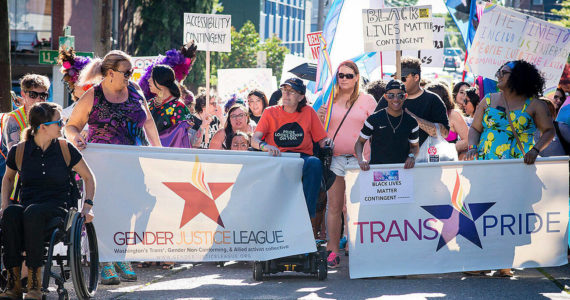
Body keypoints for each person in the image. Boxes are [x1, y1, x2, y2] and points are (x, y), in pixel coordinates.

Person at [65, 50, 161, 285]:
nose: (131, 75)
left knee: (128, 210)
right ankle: (105, 260)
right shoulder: (93, 96)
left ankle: (122, 255)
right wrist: (76, 138)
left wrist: (160, 150)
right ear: (110, 73)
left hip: (132, 164)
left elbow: (148, 121)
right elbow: (71, 127)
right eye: (127, 72)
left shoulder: (136, 90)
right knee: (105, 211)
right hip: (102, 166)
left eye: (132, 71)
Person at [466, 60, 555, 277]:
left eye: (503, 73)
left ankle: (505, 261)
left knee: (510, 213)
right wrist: (472, 147)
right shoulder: (488, 100)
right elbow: (475, 129)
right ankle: (482, 261)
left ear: (517, 77)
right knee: (483, 212)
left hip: (516, 168)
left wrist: (535, 150)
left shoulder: (534, 105)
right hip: (486, 168)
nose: (498, 76)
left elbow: (548, 131)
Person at [0, 102, 95, 300]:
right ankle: (14, 283)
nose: (62, 125)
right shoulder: (19, 150)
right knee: (11, 214)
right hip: (29, 207)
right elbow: (8, 178)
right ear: (43, 127)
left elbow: (88, 177)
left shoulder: (64, 148)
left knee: (32, 212)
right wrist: (4, 205)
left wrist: (88, 206)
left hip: (58, 209)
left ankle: (35, 284)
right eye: (59, 122)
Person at [315, 60, 377, 268]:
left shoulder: (367, 100)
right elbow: (319, 130)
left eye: (349, 76)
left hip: (360, 161)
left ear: (357, 77)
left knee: (355, 206)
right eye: (340, 75)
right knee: (334, 206)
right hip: (335, 159)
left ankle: (355, 245)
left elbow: (376, 128)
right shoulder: (329, 99)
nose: (343, 79)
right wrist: (319, 117)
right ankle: (332, 250)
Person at [252, 78, 333, 221]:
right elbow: (254, 140)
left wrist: (328, 141)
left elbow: (322, 141)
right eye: (284, 90)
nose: (286, 94)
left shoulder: (308, 112)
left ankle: (306, 216)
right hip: (278, 157)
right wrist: (265, 146)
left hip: (301, 158)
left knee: (314, 163)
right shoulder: (270, 112)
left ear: (301, 96)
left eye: (291, 92)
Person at [375, 57, 449, 147]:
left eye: (403, 79)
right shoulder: (388, 97)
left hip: (423, 158)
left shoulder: (433, 100)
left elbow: (445, 133)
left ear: (416, 77)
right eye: (395, 78)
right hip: (393, 158)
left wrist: (415, 120)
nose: (398, 82)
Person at [355, 79, 419, 169]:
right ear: (385, 96)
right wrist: (361, 159)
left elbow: (415, 146)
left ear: (405, 96)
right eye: (391, 95)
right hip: (377, 172)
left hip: (402, 171)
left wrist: (411, 157)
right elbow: (359, 142)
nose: (395, 99)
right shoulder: (373, 119)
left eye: (400, 95)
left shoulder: (412, 122)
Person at [148, 65, 196, 148]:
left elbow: (183, 139)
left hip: (167, 156)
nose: (148, 80)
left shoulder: (178, 107)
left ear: (161, 81)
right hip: (147, 153)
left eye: (152, 77)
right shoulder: (150, 104)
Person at [3, 74, 50, 151]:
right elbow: (14, 153)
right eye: (33, 95)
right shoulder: (13, 118)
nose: (38, 99)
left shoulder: (49, 115)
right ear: (23, 94)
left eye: (43, 95)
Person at [426, 81, 469, 157]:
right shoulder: (424, 116)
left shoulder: (452, 115)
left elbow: (467, 140)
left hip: (448, 163)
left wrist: (446, 150)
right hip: (427, 163)